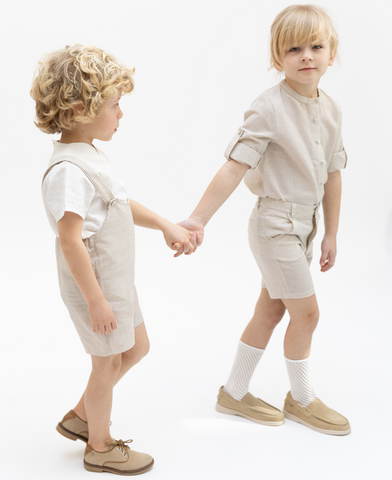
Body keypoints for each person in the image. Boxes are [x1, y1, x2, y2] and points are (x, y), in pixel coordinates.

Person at [178, 4, 350, 436]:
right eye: (294, 49)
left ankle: (233, 393)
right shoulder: (268, 107)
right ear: (278, 59)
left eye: (316, 46)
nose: (306, 56)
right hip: (274, 225)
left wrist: (331, 232)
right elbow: (235, 167)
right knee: (306, 314)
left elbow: (333, 173)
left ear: (332, 53)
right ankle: (302, 399)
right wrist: (198, 219)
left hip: (306, 226)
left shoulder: (331, 109)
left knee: (272, 309)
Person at [32, 44, 197, 475]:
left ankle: (80, 417)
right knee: (106, 360)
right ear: (81, 108)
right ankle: (99, 446)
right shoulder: (68, 171)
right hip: (97, 288)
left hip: (115, 282)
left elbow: (117, 203)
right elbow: (70, 241)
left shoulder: (89, 157)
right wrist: (96, 301)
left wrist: (165, 224)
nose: (121, 113)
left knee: (137, 347)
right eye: (114, 104)